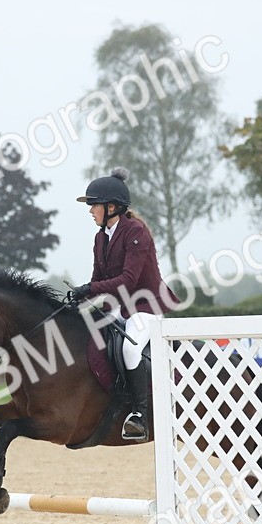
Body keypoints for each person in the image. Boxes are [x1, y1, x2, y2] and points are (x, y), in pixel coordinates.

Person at [71, 167, 175, 442]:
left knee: (130, 348)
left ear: (112, 207)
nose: (90, 211)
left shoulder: (135, 231)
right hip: (118, 307)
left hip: (145, 306)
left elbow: (128, 280)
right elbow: (98, 278)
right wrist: (81, 297)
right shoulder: (100, 237)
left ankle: (140, 415)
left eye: (94, 206)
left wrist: (91, 289)